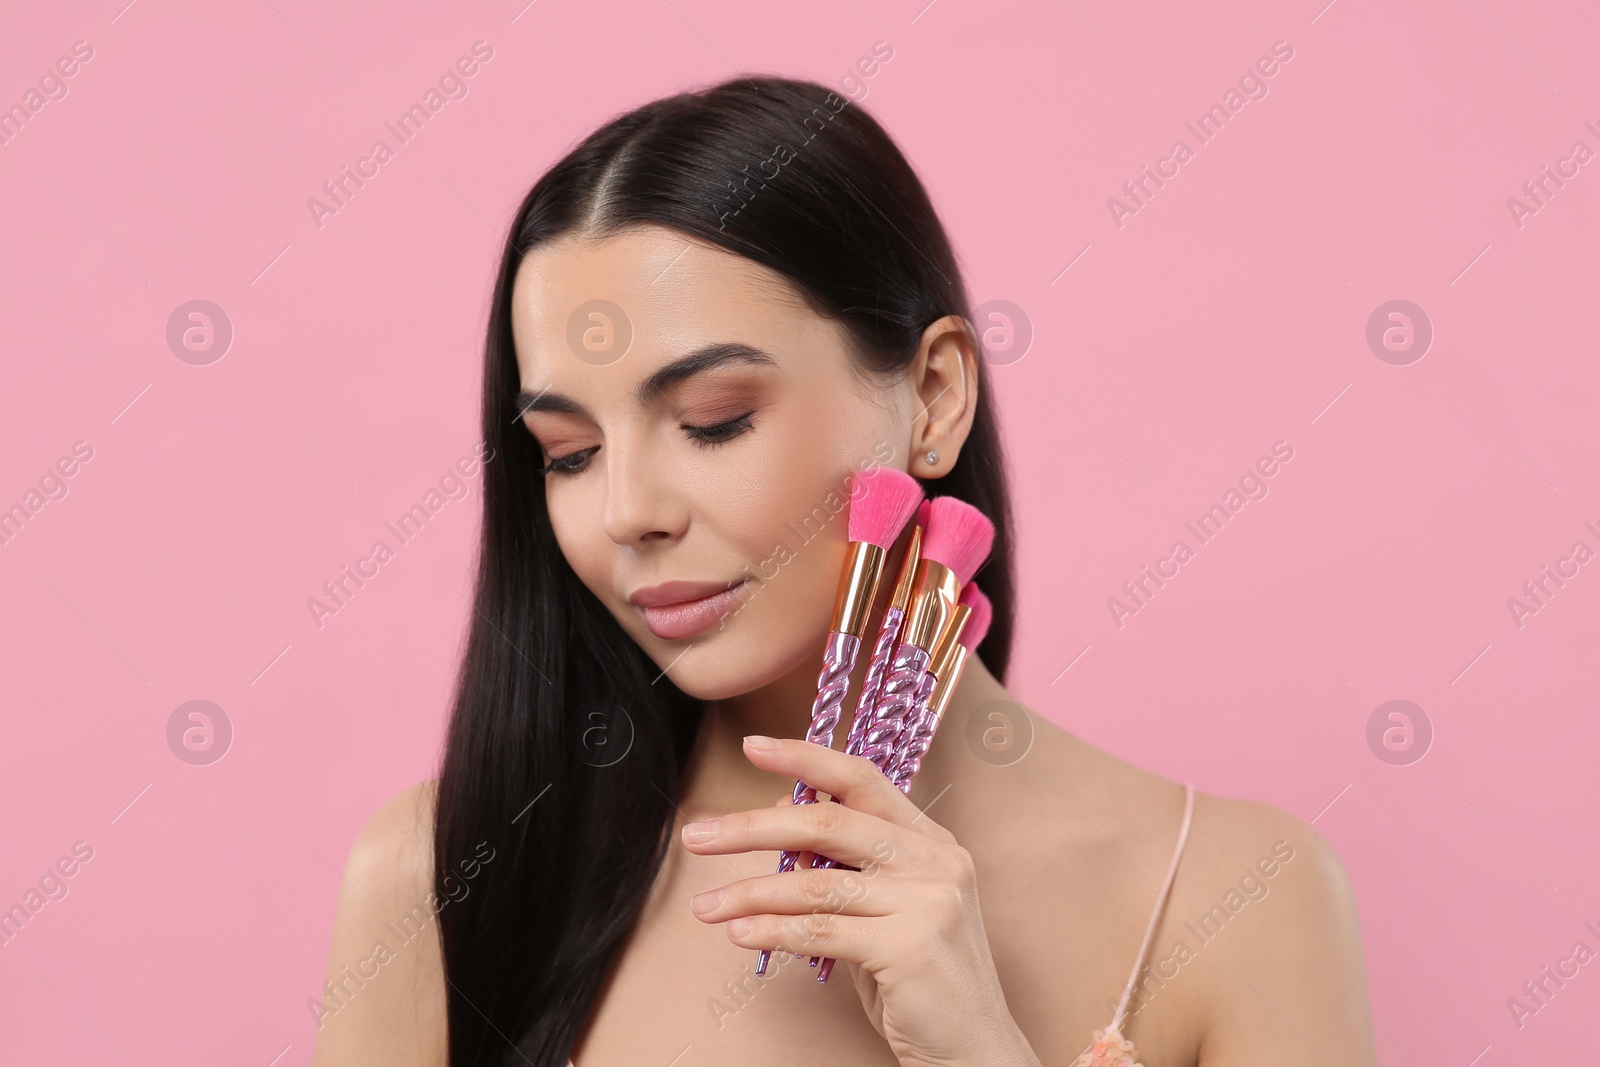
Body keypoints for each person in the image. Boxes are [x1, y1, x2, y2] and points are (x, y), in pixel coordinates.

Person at [313, 76, 1376, 1067]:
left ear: (932, 394)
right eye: (570, 453)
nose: (628, 511)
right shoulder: (437, 875)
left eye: (712, 422)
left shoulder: (1234, 897)